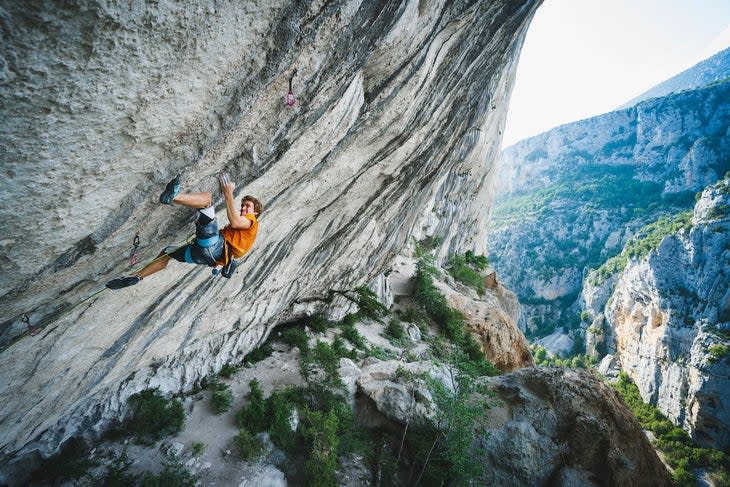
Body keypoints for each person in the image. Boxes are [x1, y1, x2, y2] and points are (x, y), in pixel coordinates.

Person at [106, 173, 262, 289]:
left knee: (207, 200)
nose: (243, 208)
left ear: (255, 213)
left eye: (247, 206)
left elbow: (235, 221)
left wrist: (228, 192)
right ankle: (137, 277)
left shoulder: (251, 222)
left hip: (213, 246)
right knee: (167, 252)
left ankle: (173, 197)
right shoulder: (245, 235)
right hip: (204, 258)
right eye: (243, 206)